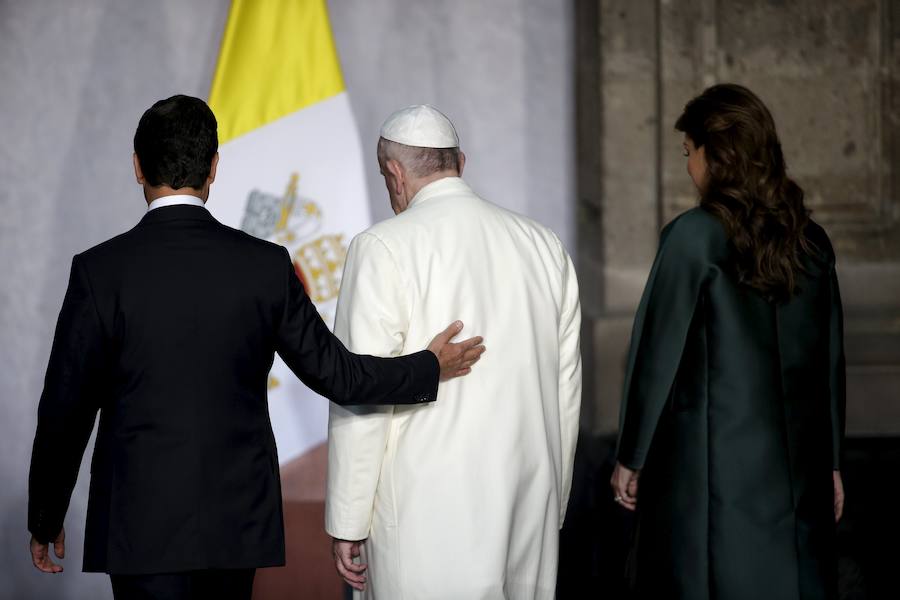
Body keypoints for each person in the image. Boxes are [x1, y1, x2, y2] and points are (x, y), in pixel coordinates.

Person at [27, 95, 485, 600]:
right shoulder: (265, 267)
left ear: (137, 167)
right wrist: (428, 367)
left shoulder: (99, 272)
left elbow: (64, 413)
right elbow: (339, 375)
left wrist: (46, 517)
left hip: (140, 531)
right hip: (235, 527)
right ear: (214, 168)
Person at [325, 105, 582, 599]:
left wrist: (348, 519)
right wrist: (554, 501)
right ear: (459, 162)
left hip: (426, 513)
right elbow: (565, 389)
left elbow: (363, 387)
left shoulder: (382, 246)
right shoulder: (544, 245)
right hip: (528, 502)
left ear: (394, 174)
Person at [610, 84, 846, 599]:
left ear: (716, 155)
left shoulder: (693, 237)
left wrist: (632, 455)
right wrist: (831, 462)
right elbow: (830, 360)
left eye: (689, 153)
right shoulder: (812, 241)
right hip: (797, 470)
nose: (689, 167)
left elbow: (657, 353)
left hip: (712, 469)